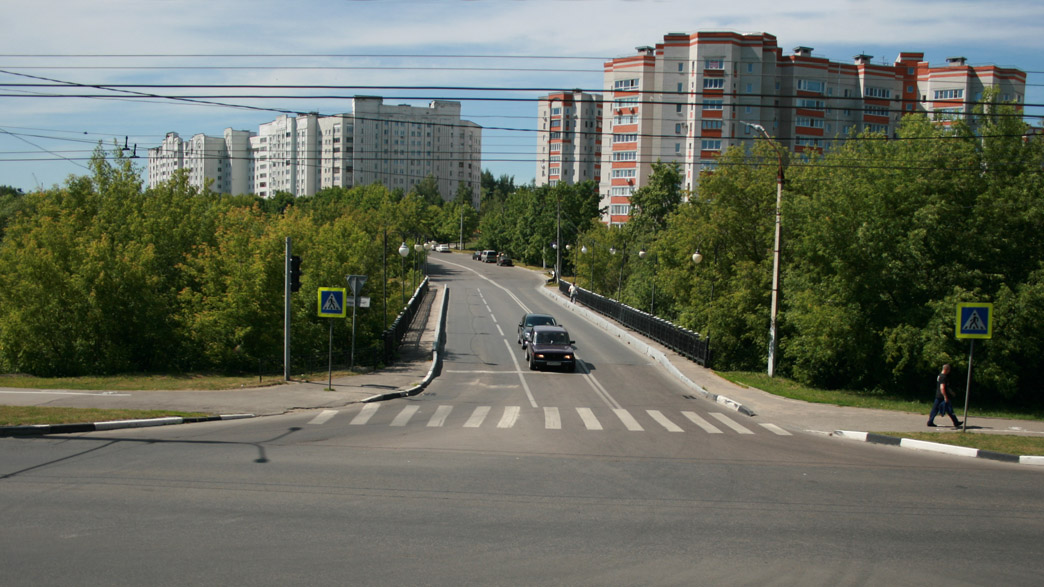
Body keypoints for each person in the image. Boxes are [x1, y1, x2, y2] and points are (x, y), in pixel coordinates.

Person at [927, 363, 962, 428]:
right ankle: (956, 422)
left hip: (938, 395)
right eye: (949, 370)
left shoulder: (939, 376)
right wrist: (945, 396)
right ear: (946, 369)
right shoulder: (943, 377)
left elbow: (946, 387)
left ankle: (930, 421)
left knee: (936, 409)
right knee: (949, 409)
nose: (949, 371)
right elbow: (942, 387)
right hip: (942, 396)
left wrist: (951, 392)